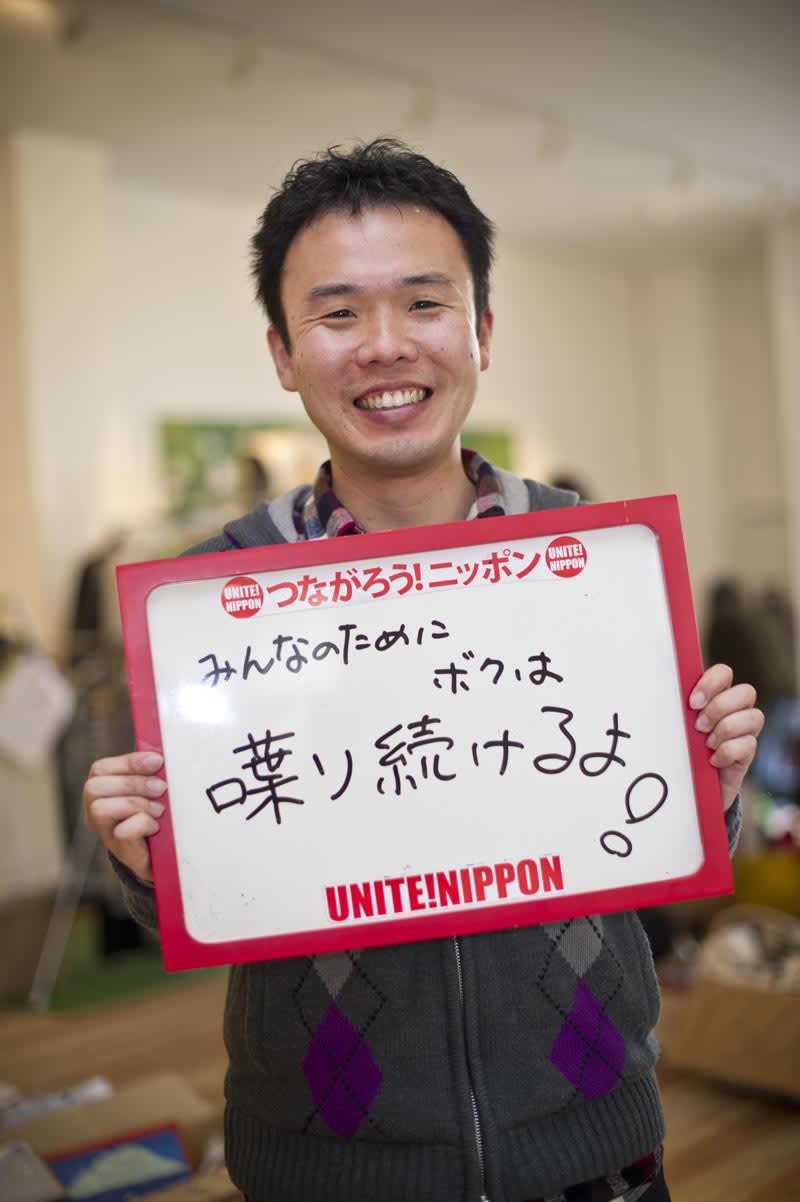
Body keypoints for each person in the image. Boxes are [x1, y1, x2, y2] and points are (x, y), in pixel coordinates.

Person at [83, 139, 764, 1202]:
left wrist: (707, 793)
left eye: (423, 303)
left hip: (596, 1148)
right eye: (338, 313)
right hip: (324, 1164)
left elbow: (651, 841)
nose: (385, 345)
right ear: (282, 352)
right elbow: (209, 897)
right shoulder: (208, 604)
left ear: (481, 329)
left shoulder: (597, 560)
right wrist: (144, 858)